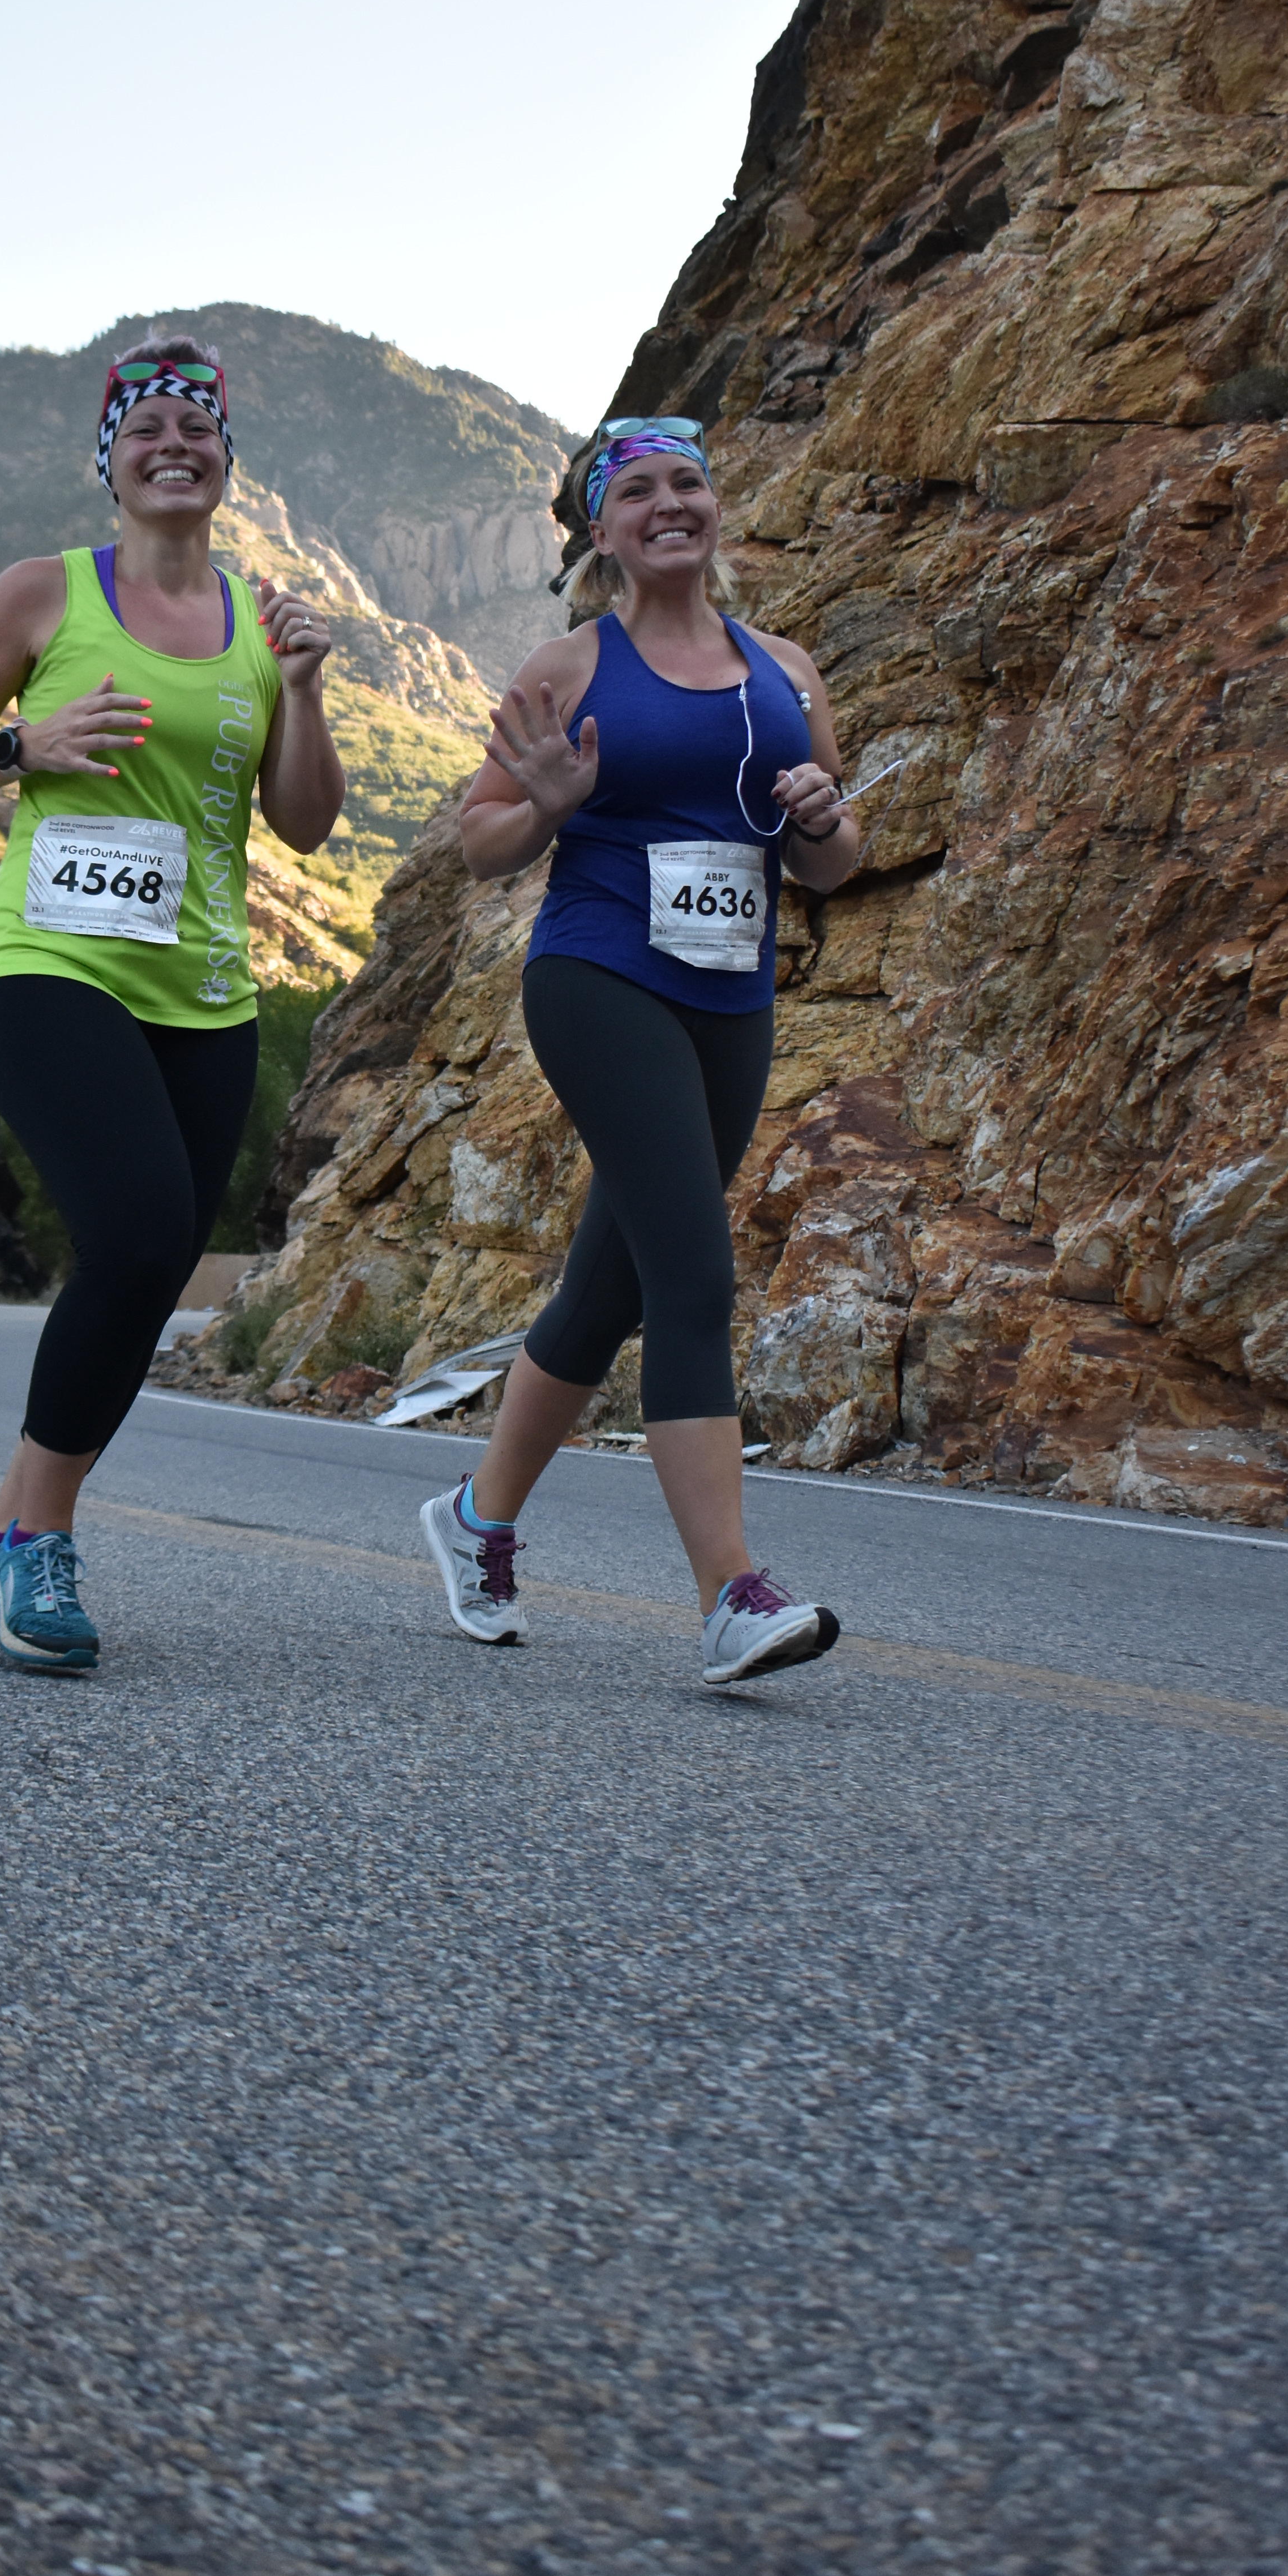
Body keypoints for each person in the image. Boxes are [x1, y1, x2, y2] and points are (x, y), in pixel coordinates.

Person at [0, 335, 344, 1674]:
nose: (173, 445)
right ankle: (39, 1545)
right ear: (111, 460)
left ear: (225, 463)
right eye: (146, 426)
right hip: (49, 965)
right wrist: (20, 744)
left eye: (197, 429)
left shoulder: (262, 621)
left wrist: (305, 692)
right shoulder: (43, 592)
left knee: (146, 1275)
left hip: (204, 995)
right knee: (140, 1231)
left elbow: (305, 824)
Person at [417, 415, 865, 1686]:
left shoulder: (785, 671)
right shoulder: (566, 669)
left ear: (715, 507)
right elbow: (481, 843)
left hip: (729, 995)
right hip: (600, 976)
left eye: (688, 484)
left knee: (608, 1289)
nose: (669, 505)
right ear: (601, 532)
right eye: (638, 493)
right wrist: (547, 806)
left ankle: (475, 1518)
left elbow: (834, 864)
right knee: (692, 1275)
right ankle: (730, 1594)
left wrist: (820, 820)